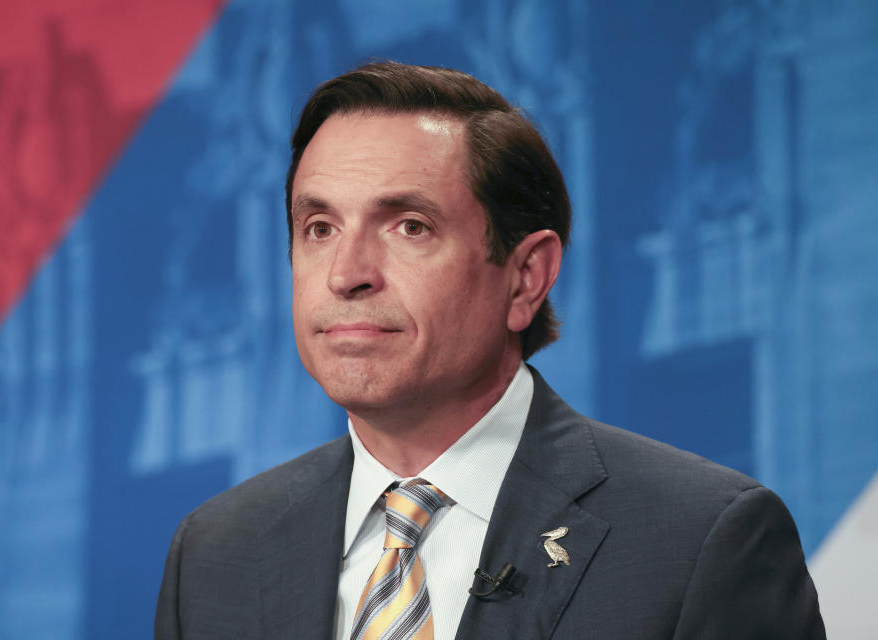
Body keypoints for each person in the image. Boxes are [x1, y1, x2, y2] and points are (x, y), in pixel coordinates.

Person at [155, 62, 824, 639]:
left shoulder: (700, 541)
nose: (345, 273)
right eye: (320, 227)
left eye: (409, 226)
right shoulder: (216, 555)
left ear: (525, 276)